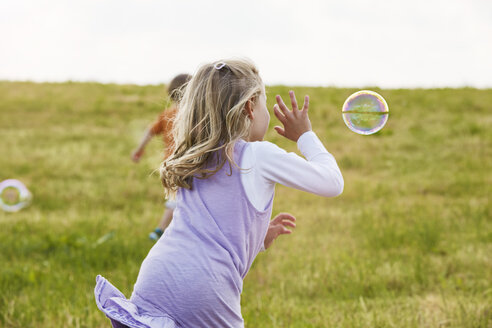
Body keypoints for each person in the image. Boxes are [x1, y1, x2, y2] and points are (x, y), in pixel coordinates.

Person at [95, 59, 344, 328]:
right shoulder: (257, 155)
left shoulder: (195, 154)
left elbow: (212, 228)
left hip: (156, 277)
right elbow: (332, 183)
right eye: (264, 103)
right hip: (205, 288)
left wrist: (258, 236)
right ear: (250, 106)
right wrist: (305, 135)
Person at [131, 73, 191, 241]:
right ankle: (160, 230)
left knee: (179, 198)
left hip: (169, 166)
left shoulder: (166, 114)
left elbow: (150, 132)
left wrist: (139, 150)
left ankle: (175, 232)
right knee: (178, 199)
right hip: (185, 164)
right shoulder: (192, 115)